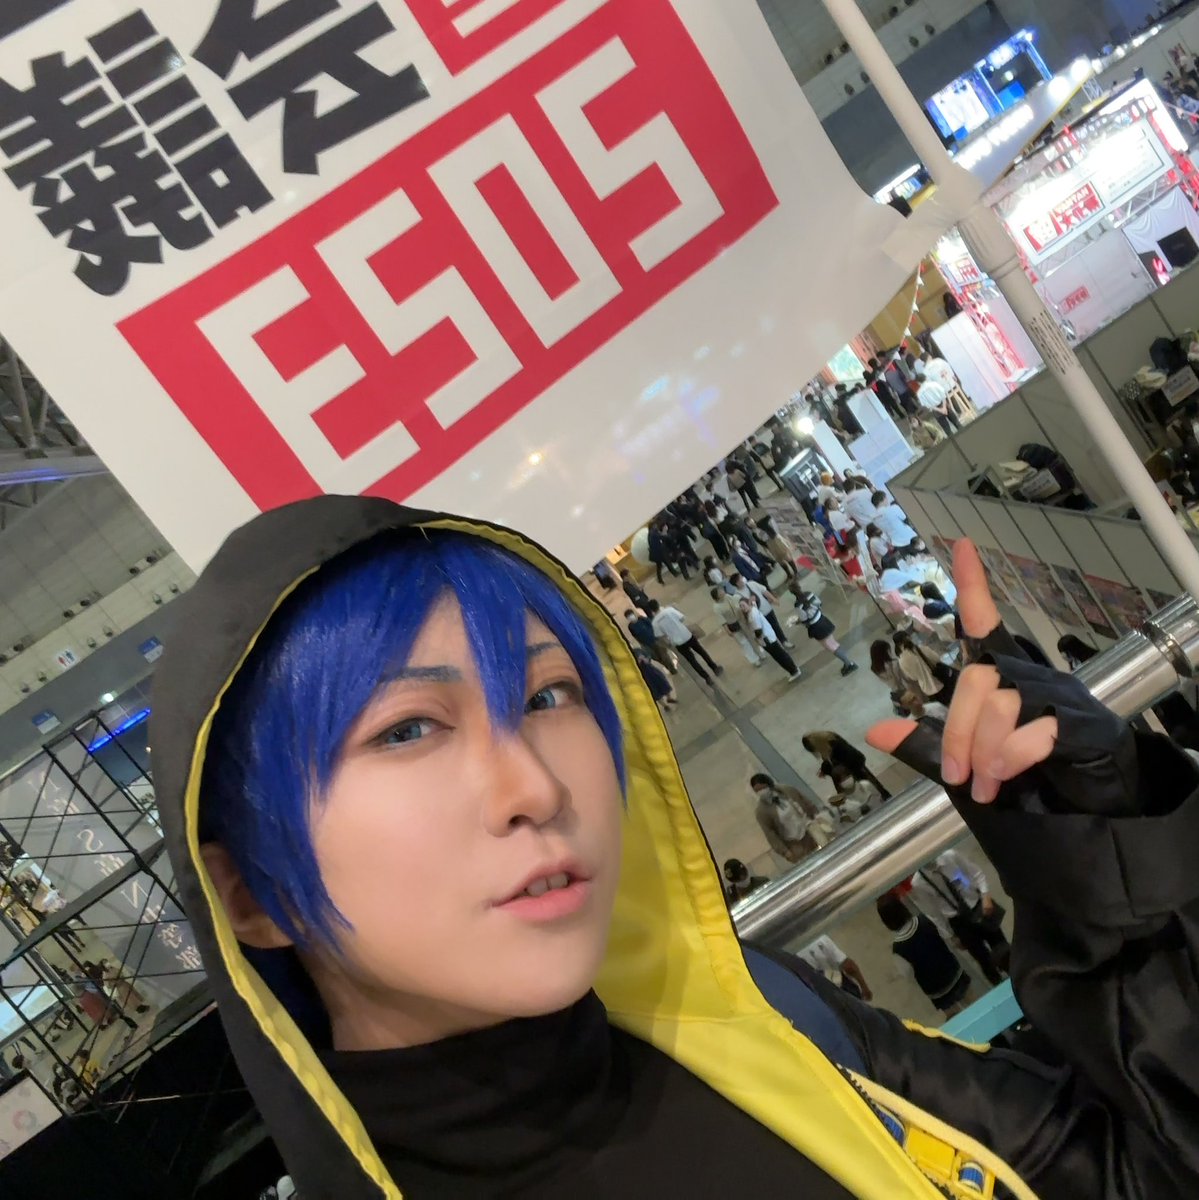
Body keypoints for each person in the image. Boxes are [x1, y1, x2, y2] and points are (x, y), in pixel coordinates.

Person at [153, 504, 1199, 1199]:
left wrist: (1096, 849)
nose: (534, 788)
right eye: (407, 729)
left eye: (547, 695)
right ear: (249, 896)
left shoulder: (749, 1017)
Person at [910, 850, 1011, 986]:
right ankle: (1000, 987)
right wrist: (951, 936)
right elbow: (933, 913)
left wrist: (985, 895)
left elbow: (976, 874)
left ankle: (1019, 978)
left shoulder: (950, 856)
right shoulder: (918, 883)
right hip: (958, 921)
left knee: (1002, 947)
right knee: (983, 960)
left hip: (978, 906)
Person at [876, 894, 972, 1016]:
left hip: (937, 991)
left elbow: (907, 974)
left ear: (886, 921)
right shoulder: (924, 919)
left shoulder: (899, 948)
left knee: (956, 1018)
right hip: (954, 972)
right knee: (975, 1005)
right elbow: (944, 936)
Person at [647, 599, 724, 686]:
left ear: (651, 610)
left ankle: (707, 678)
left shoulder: (655, 623)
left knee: (692, 661)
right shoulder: (669, 610)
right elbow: (682, 618)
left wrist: (668, 642)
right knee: (701, 652)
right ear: (658, 604)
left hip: (677, 642)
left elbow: (660, 636)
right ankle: (715, 668)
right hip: (686, 635)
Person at [750, 773, 822, 862]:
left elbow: (806, 802)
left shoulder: (787, 790)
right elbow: (770, 834)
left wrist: (818, 817)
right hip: (795, 844)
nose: (761, 792)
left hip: (810, 831)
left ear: (768, 784)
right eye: (757, 791)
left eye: (762, 788)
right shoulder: (761, 812)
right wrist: (785, 852)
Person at [802, 731, 891, 799]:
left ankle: (883, 797)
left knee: (869, 785)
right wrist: (824, 769)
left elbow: (835, 761)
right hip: (856, 761)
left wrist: (825, 769)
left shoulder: (833, 745)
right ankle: (885, 796)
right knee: (872, 783)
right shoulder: (830, 737)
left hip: (853, 766)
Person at [792, 589, 858, 676]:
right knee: (833, 643)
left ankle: (849, 664)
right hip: (822, 620)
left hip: (816, 627)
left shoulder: (798, 605)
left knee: (831, 647)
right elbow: (819, 603)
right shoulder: (809, 594)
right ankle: (848, 662)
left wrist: (797, 622)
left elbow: (804, 620)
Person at [796, 935, 873, 1002]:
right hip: (842, 986)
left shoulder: (792, 952)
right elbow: (849, 966)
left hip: (822, 998)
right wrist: (864, 988)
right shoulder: (820, 938)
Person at [742, 599, 802, 681]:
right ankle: (793, 670)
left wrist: (758, 640)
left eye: (743, 605)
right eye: (741, 606)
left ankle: (794, 671)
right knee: (780, 654)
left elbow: (758, 630)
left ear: (748, 603)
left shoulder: (753, 615)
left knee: (779, 656)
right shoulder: (753, 610)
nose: (742, 608)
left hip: (766, 639)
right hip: (768, 637)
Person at [894, 629, 956, 706]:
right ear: (908, 637)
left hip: (927, 690)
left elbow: (913, 678)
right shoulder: (921, 648)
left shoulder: (901, 661)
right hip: (940, 681)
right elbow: (937, 658)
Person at [729, 573, 791, 648]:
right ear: (737, 583)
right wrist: (749, 602)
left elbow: (764, 591)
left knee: (776, 626)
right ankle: (777, 646)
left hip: (767, 609)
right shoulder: (736, 597)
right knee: (766, 632)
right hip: (757, 617)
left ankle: (784, 641)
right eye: (741, 578)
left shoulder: (751, 584)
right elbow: (742, 610)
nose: (743, 578)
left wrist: (773, 599)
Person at [711, 586, 762, 666]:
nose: (722, 591)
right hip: (732, 624)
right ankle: (754, 659)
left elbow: (737, 602)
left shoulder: (728, 596)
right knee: (744, 643)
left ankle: (760, 652)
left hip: (741, 620)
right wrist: (727, 630)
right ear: (717, 596)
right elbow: (722, 620)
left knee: (751, 637)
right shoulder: (717, 607)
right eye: (720, 591)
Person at [624, 607, 678, 675]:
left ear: (634, 614)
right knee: (657, 658)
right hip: (647, 644)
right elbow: (635, 636)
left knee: (664, 656)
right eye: (628, 617)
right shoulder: (631, 627)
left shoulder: (642, 619)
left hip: (656, 640)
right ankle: (669, 667)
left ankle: (672, 669)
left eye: (631, 615)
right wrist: (642, 644)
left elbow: (653, 625)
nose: (631, 617)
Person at [754, 514, 798, 580]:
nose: (751, 525)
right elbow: (760, 541)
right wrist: (767, 546)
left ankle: (795, 571)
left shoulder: (761, 523)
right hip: (769, 544)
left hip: (775, 539)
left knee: (785, 555)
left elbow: (768, 516)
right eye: (749, 524)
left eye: (751, 522)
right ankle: (788, 574)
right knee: (779, 559)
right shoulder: (754, 532)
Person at [635, 650, 679, 714]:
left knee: (663, 683)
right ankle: (665, 705)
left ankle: (669, 698)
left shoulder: (637, 650)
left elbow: (648, 655)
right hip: (644, 675)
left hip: (652, 670)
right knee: (654, 690)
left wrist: (645, 659)